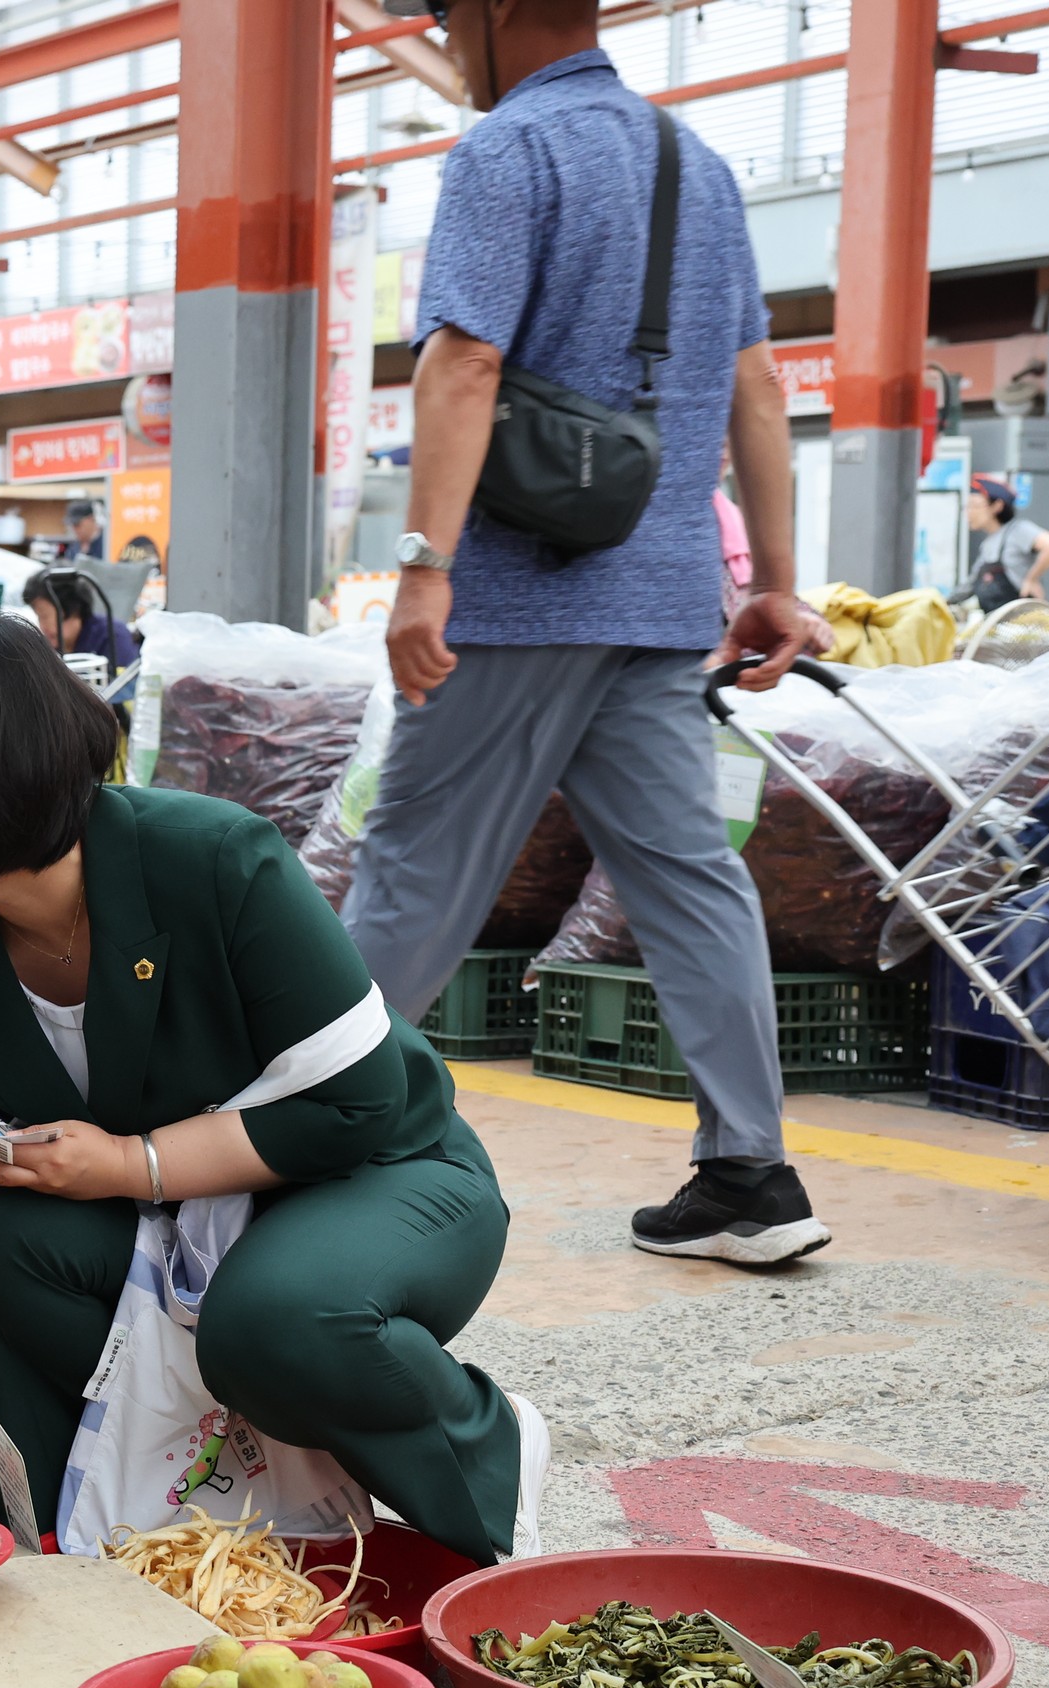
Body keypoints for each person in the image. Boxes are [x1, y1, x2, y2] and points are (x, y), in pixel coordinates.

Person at [0, 616, 539, 1564]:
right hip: (184, 1225)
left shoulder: (212, 859)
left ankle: (484, 1471)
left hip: (377, 1178)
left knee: (278, 1323)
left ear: (3, 757)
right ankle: (108, 1521)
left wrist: (130, 1163)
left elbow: (356, 1101)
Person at [355, 0, 834, 1266]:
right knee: (689, 876)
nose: (451, 40)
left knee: (414, 866)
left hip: (516, 601)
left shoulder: (505, 153)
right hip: (666, 601)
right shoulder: (700, 167)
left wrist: (423, 569)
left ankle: (299, 1140)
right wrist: (775, 579)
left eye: (453, 15)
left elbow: (462, 366)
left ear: (505, 13)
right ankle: (749, 1171)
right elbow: (757, 384)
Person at [964, 476, 1049, 607]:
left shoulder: (1018, 531)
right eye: (967, 507)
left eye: (974, 506)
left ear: (997, 506)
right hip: (999, 622)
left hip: (1025, 620)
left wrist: (1031, 579)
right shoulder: (987, 544)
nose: (969, 513)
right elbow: (971, 583)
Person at [18, 564, 138, 668]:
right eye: (38, 617)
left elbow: (123, 691)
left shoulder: (112, 637)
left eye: (44, 616)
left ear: (72, 609)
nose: (42, 626)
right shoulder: (50, 650)